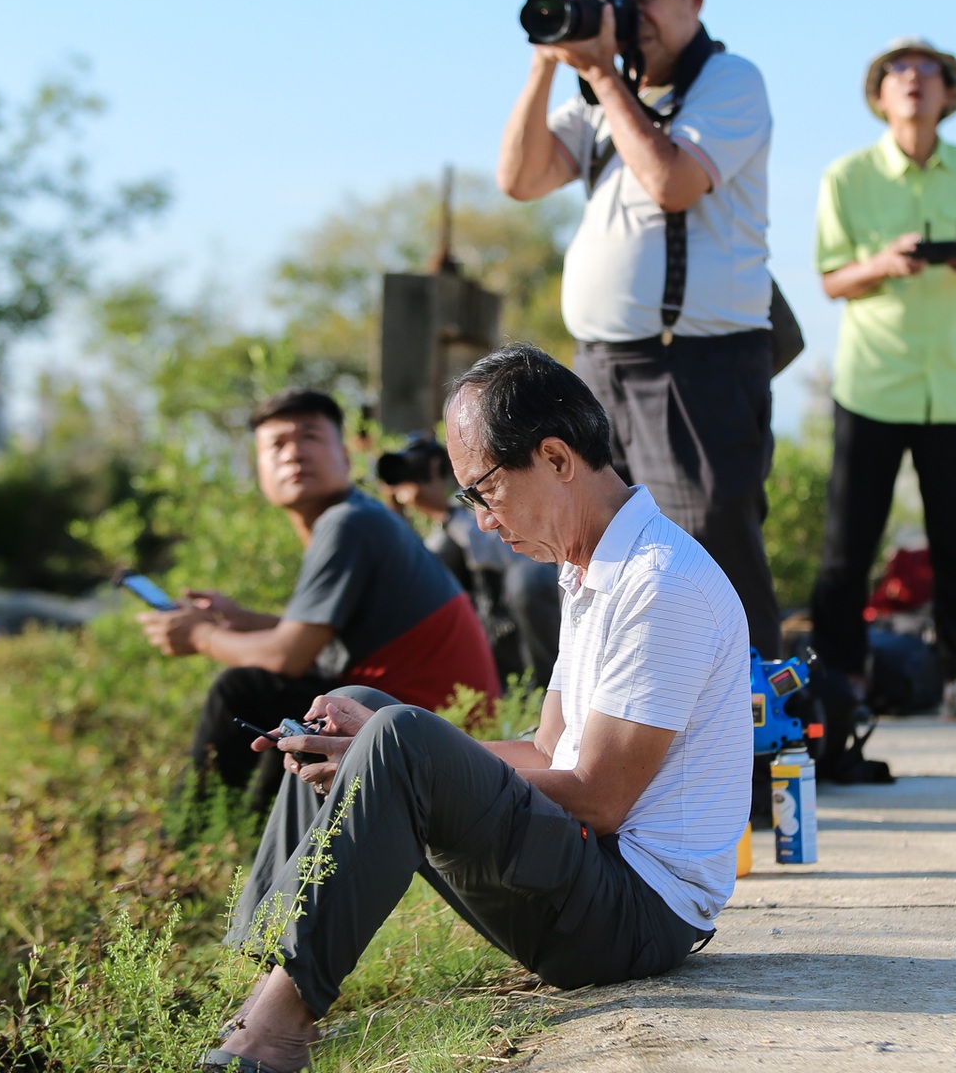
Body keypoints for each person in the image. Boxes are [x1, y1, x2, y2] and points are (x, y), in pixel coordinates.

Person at [202, 345, 752, 1073]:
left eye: (483, 490)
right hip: (591, 875)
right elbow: (545, 751)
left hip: (635, 916)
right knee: (355, 709)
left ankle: (282, 1025)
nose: (481, 520)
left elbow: (600, 798)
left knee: (392, 732)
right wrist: (380, 748)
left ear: (556, 459)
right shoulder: (590, 566)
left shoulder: (661, 584)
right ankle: (259, 979)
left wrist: (400, 752)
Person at [497, 0, 782, 658]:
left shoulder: (729, 81)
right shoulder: (603, 91)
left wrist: (597, 73)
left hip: (695, 365)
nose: (629, 14)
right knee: (599, 559)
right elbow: (520, 178)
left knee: (710, 559)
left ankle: (752, 765)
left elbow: (673, 181)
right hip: (599, 367)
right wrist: (548, 61)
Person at [137, 388, 500, 808]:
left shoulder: (348, 524)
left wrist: (201, 636)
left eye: (310, 437)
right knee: (292, 702)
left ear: (345, 458)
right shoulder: (359, 516)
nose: (294, 453)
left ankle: (191, 836)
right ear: (259, 469)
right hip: (428, 720)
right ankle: (245, 837)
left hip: (431, 731)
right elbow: (326, 637)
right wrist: (243, 621)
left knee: (248, 689)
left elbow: (290, 656)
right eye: (277, 444)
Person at [810, 37, 956, 722]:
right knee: (849, 544)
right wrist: (883, 264)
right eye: (898, 71)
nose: (914, 80)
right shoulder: (845, 177)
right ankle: (841, 681)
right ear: (878, 96)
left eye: (930, 71)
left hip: (951, 387)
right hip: (871, 383)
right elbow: (832, 279)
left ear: (951, 93)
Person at [382, 433, 562, 682]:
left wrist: (446, 514)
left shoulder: (483, 497)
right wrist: (396, 517)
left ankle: (548, 688)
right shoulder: (444, 529)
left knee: (527, 578)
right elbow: (418, 583)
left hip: (528, 622)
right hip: (491, 634)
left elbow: (507, 555)